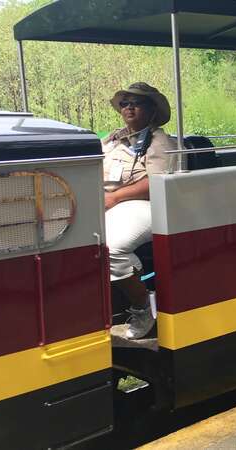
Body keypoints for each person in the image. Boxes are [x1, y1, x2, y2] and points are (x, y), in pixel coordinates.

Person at [103, 82, 175, 339]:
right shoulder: (113, 140)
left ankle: (144, 307)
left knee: (111, 247)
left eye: (136, 103)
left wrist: (114, 197)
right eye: (125, 103)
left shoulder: (158, 141)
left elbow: (156, 182)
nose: (129, 108)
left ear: (151, 109)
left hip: (147, 204)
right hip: (107, 203)